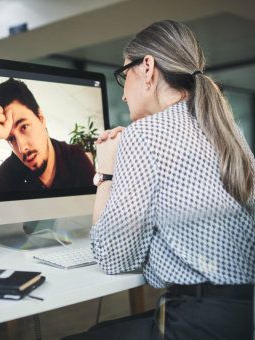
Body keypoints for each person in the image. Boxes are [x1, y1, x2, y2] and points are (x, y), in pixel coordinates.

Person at [64, 20, 254, 340]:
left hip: (197, 322)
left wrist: (107, 172)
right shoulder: (230, 134)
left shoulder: (145, 134)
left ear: (148, 67)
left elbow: (112, 257)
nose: (123, 95)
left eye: (124, 76)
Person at [0, 78, 95, 194]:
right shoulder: (6, 177)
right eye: (11, 139)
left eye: (24, 127)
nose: (21, 148)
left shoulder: (75, 158)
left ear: (41, 118)